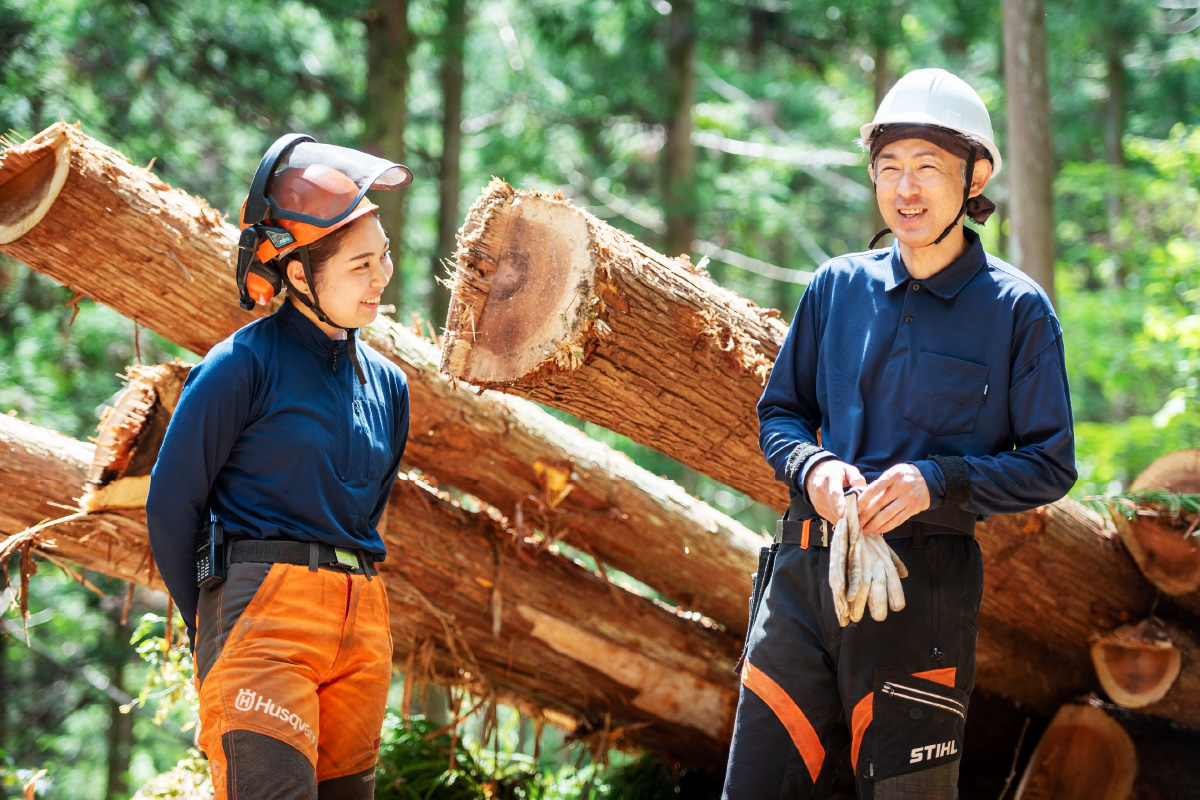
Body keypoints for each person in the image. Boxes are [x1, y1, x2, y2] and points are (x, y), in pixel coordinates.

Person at [722, 68, 1077, 799]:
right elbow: (779, 413)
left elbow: (1050, 463)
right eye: (889, 169)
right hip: (802, 586)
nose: (905, 190)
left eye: (927, 169)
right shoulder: (835, 288)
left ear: (974, 176)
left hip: (924, 602)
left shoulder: (1017, 311)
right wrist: (812, 466)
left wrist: (937, 480)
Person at [146, 134, 413, 799]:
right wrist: (216, 621)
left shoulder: (390, 386)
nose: (382, 279)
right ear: (299, 275)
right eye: (360, 266)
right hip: (263, 615)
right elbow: (170, 504)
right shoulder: (241, 366)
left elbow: (365, 506)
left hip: (363, 619)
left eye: (384, 258)